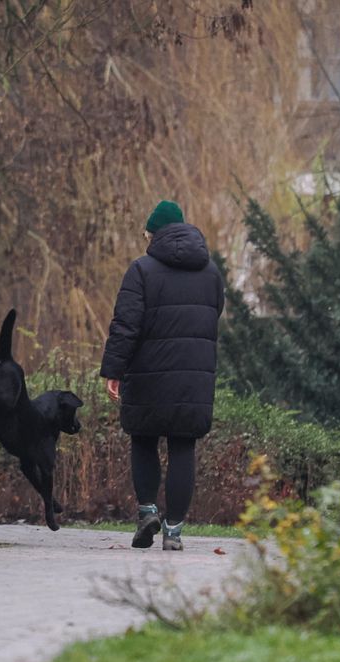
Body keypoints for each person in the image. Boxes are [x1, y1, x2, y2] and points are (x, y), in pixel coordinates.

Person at [100, 200, 224, 551]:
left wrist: (114, 370)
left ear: (154, 234)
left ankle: (147, 512)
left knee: (143, 438)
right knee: (183, 446)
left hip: (148, 373)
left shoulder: (141, 270)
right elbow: (213, 316)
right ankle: (174, 532)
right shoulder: (211, 272)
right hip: (194, 377)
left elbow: (125, 326)